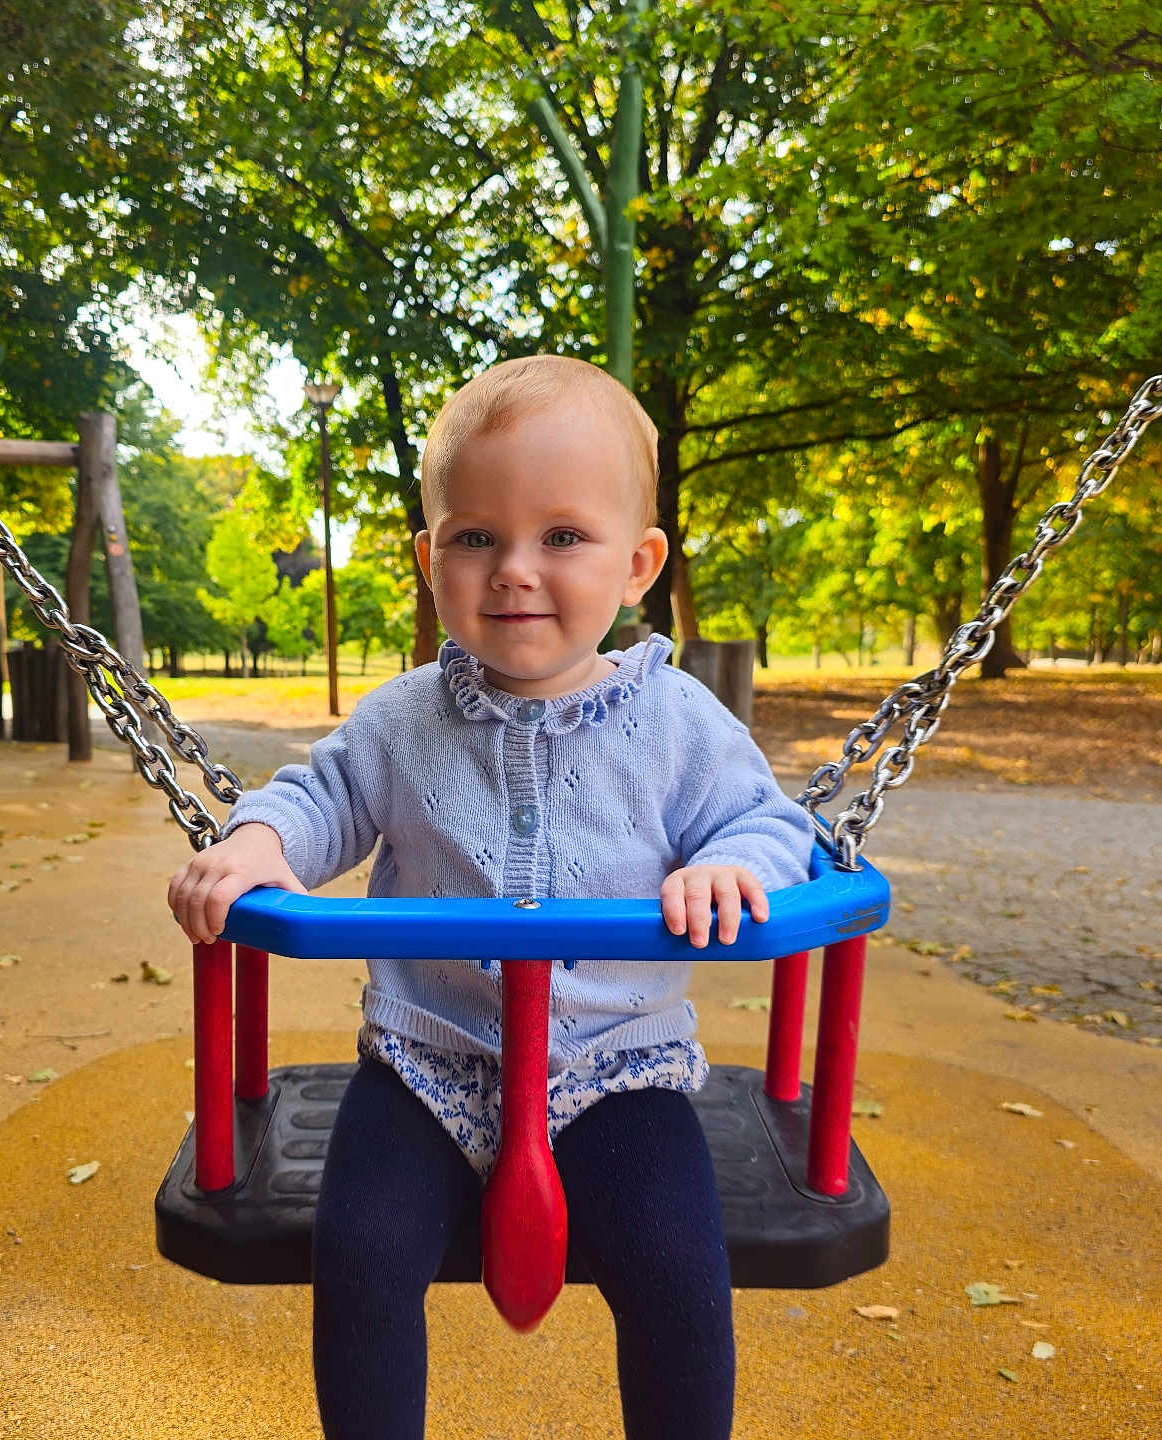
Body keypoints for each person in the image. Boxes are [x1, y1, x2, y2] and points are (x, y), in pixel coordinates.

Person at [167, 354, 815, 1439]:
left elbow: (768, 824)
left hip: (620, 1068)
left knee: (676, 1264)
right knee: (362, 1251)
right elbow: (321, 796)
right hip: (427, 1063)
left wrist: (732, 866)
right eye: (476, 537)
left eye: (562, 536)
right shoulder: (403, 718)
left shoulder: (680, 721)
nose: (515, 569)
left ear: (639, 562)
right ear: (430, 559)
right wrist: (262, 843)